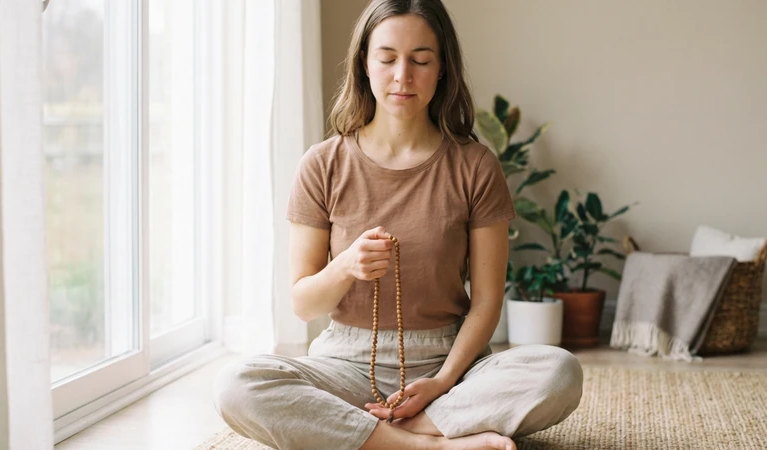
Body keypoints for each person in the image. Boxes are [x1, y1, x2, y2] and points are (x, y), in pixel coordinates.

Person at [213, 1, 582, 448]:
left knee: (560, 371)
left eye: (421, 60)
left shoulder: (475, 165)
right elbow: (304, 304)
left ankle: (381, 433)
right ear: (364, 64)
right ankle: (428, 444)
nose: (402, 76)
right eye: (387, 59)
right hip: (346, 363)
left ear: (443, 67)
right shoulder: (322, 164)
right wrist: (345, 265)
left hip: (449, 361)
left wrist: (444, 382)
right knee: (238, 384)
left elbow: (485, 302)